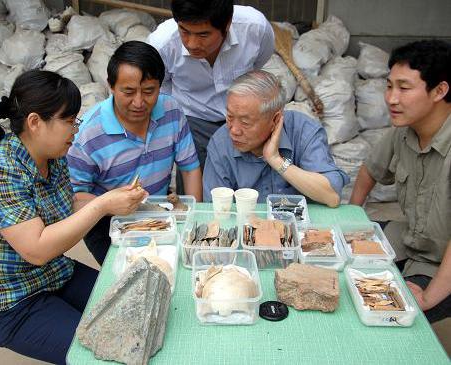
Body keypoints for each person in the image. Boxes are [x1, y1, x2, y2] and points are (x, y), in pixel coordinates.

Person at [0, 70, 147, 364]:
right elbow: (37, 249)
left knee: (135, 308)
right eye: (70, 121)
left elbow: (67, 205)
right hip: (9, 302)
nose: (75, 130)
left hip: (53, 275)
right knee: (103, 351)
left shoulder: (54, 157)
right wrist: (103, 206)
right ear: (35, 122)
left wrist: (117, 201)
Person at [67, 41, 202, 266]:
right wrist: (110, 205)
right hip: (107, 222)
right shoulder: (88, 134)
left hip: (160, 210)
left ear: (160, 86)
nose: (139, 102)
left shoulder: (172, 112)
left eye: (149, 91)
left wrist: (192, 221)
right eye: (128, 92)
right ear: (111, 85)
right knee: (133, 274)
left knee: (179, 265)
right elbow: (76, 197)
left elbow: (190, 169)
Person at [350, 40, 451, 322]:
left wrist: (428, 297)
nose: (391, 98)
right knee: (344, 252)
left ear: (440, 90)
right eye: (389, 86)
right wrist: (350, 219)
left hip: (440, 262)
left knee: (395, 312)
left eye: (404, 88)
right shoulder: (404, 132)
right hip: (411, 239)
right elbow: (369, 171)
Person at [147, 0, 274, 191]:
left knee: (248, 189)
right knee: (196, 192)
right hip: (192, 121)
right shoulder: (162, 44)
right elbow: (160, 86)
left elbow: (259, 62)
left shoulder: (255, 28)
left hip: (244, 118)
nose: (191, 43)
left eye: (203, 34)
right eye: (184, 31)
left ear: (227, 24)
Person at [203, 70, 349, 206]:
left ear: (275, 119)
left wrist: (276, 160)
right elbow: (215, 210)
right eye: (229, 117)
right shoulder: (220, 143)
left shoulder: (304, 131)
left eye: (245, 122)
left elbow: (332, 196)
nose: (234, 130)